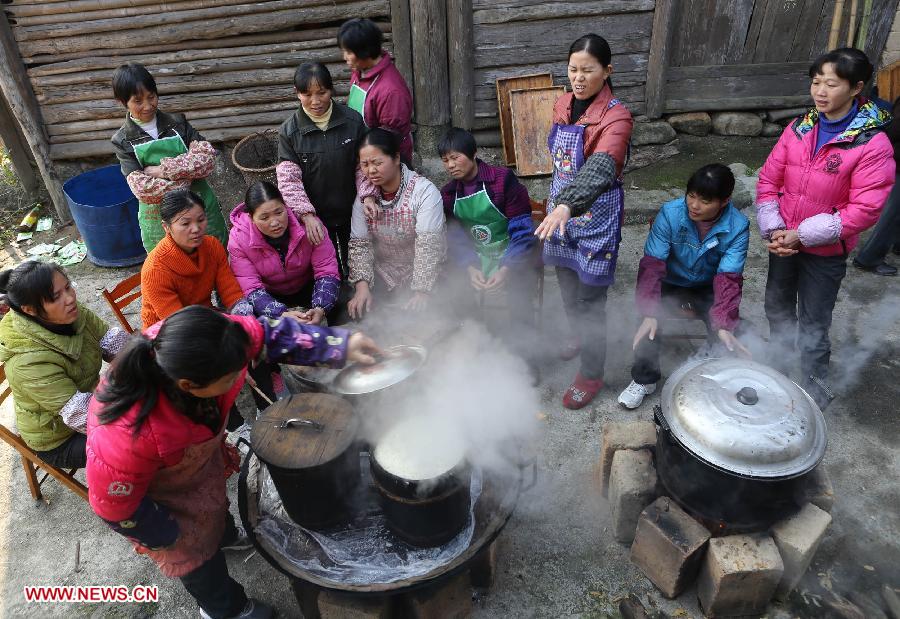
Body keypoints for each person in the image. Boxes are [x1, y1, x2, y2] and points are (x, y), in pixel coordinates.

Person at [86, 306, 379, 619]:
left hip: (192, 460)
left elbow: (265, 336)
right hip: (157, 500)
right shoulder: (124, 435)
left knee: (211, 508)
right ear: (189, 385)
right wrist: (167, 535)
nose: (240, 374)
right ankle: (226, 609)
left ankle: (222, 534)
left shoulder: (217, 338)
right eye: (230, 378)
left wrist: (339, 345)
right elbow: (114, 505)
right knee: (195, 558)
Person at [756, 47, 895, 408]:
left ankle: (813, 394)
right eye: (816, 82)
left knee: (814, 325)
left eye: (831, 84)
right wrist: (774, 230)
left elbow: (865, 209)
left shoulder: (871, 143)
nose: (820, 91)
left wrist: (802, 234)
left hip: (825, 252)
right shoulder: (799, 128)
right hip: (783, 242)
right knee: (777, 309)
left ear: (856, 88)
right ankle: (779, 371)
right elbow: (769, 182)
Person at [533, 34, 634, 409]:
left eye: (587, 70)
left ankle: (591, 373)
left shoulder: (617, 116)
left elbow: (602, 166)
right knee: (566, 286)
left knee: (591, 300)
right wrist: (559, 205)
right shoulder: (562, 104)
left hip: (595, 220)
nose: (578, 77)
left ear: (607, 71)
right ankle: (578, 335)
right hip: (562, 216)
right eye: (573, 69)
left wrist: (566, 205)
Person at [618, 164, 751, 409]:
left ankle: (710, 377)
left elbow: (729, 277)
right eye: (691, 195)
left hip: (706, 285)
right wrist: (649, 311)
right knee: (648, 322)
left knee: (728, 329)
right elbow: (652, 264)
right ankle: (644, 380)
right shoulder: (670, 213)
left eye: (705, 200)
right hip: (671, 281)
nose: (694, 205)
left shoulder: (738, 226)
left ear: (724, 201)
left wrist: (723, 323)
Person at [0, 261, 128, 468]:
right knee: (138, 445)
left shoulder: (72, 313)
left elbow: (115, 344)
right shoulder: (27, 363)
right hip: (59, 439)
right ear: (30, 310)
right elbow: (84, 415)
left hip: (89, 401)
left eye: (68, 287)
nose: (70, 298)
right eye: (55, 297)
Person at [439, 127, 540, 374]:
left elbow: (522, 229)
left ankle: (526, 360)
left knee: (519, 296)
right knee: (454, 289)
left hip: (513, 252)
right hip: (478, 256)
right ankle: (478, 345)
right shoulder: (449, 194)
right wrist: (470, 267)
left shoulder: (502, 180)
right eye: (445, 160)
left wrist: (506, 267)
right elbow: (457, 237)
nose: (451, 165)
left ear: (473, 153)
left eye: (455, 157)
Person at [110, 63, 228, 252]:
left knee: (213, 256)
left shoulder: (178, 123)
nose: (148, 106)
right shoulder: (123, 140)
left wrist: (163, 170)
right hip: (160, 217)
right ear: (122, 102)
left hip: (199, 207)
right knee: (171, 265)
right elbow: (142, 187)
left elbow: (206, 159)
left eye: (152, 97)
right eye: (138, 101)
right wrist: (185, 180)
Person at [276, 62, 378, 276]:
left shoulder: (352, 121)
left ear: (331, 89)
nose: (315, 101)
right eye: (307, 94)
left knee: (360, 264)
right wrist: (306, 214)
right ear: (297, 93)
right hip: (317, 217)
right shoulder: (289, 132)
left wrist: (368, 197)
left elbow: (364, 165)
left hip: (353, 209)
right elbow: (289, 180)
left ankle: (362, 300)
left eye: (321, 93)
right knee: (327, 268)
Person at [347, 129, 446, 320]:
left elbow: (429, 244)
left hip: (425, 270)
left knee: (433, 317)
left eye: (377, 163)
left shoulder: (424, 192)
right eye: (365, 164)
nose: (371, 170)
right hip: (386, 272)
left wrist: (422, 291)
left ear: (396, 158)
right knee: (358, 311)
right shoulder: (364, 199)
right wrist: (362, 288)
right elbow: (360, 245)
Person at [228, 180, 341, 324]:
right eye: (264, 218)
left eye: (279, 212)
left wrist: (320, 308)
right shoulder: (239, 239)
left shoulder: (309, 225)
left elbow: (326, 269)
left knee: (339, 304)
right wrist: (280, 313)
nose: (275, 222)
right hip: (271, 295)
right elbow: (250, 287)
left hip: (308, 287)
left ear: (286, 207)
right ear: (252, 218)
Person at [338, 18, 414, 164]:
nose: (345, 57)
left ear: (364, 51)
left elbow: (388, 142)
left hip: (384, 161)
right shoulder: (360, 70)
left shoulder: (392, 91)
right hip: (362, 150)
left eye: (348, 52)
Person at [852, 96, 900, 275]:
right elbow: (892, 132)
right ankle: (868, 258)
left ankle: (898, 245)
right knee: (892, 214)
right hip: (897, 165)